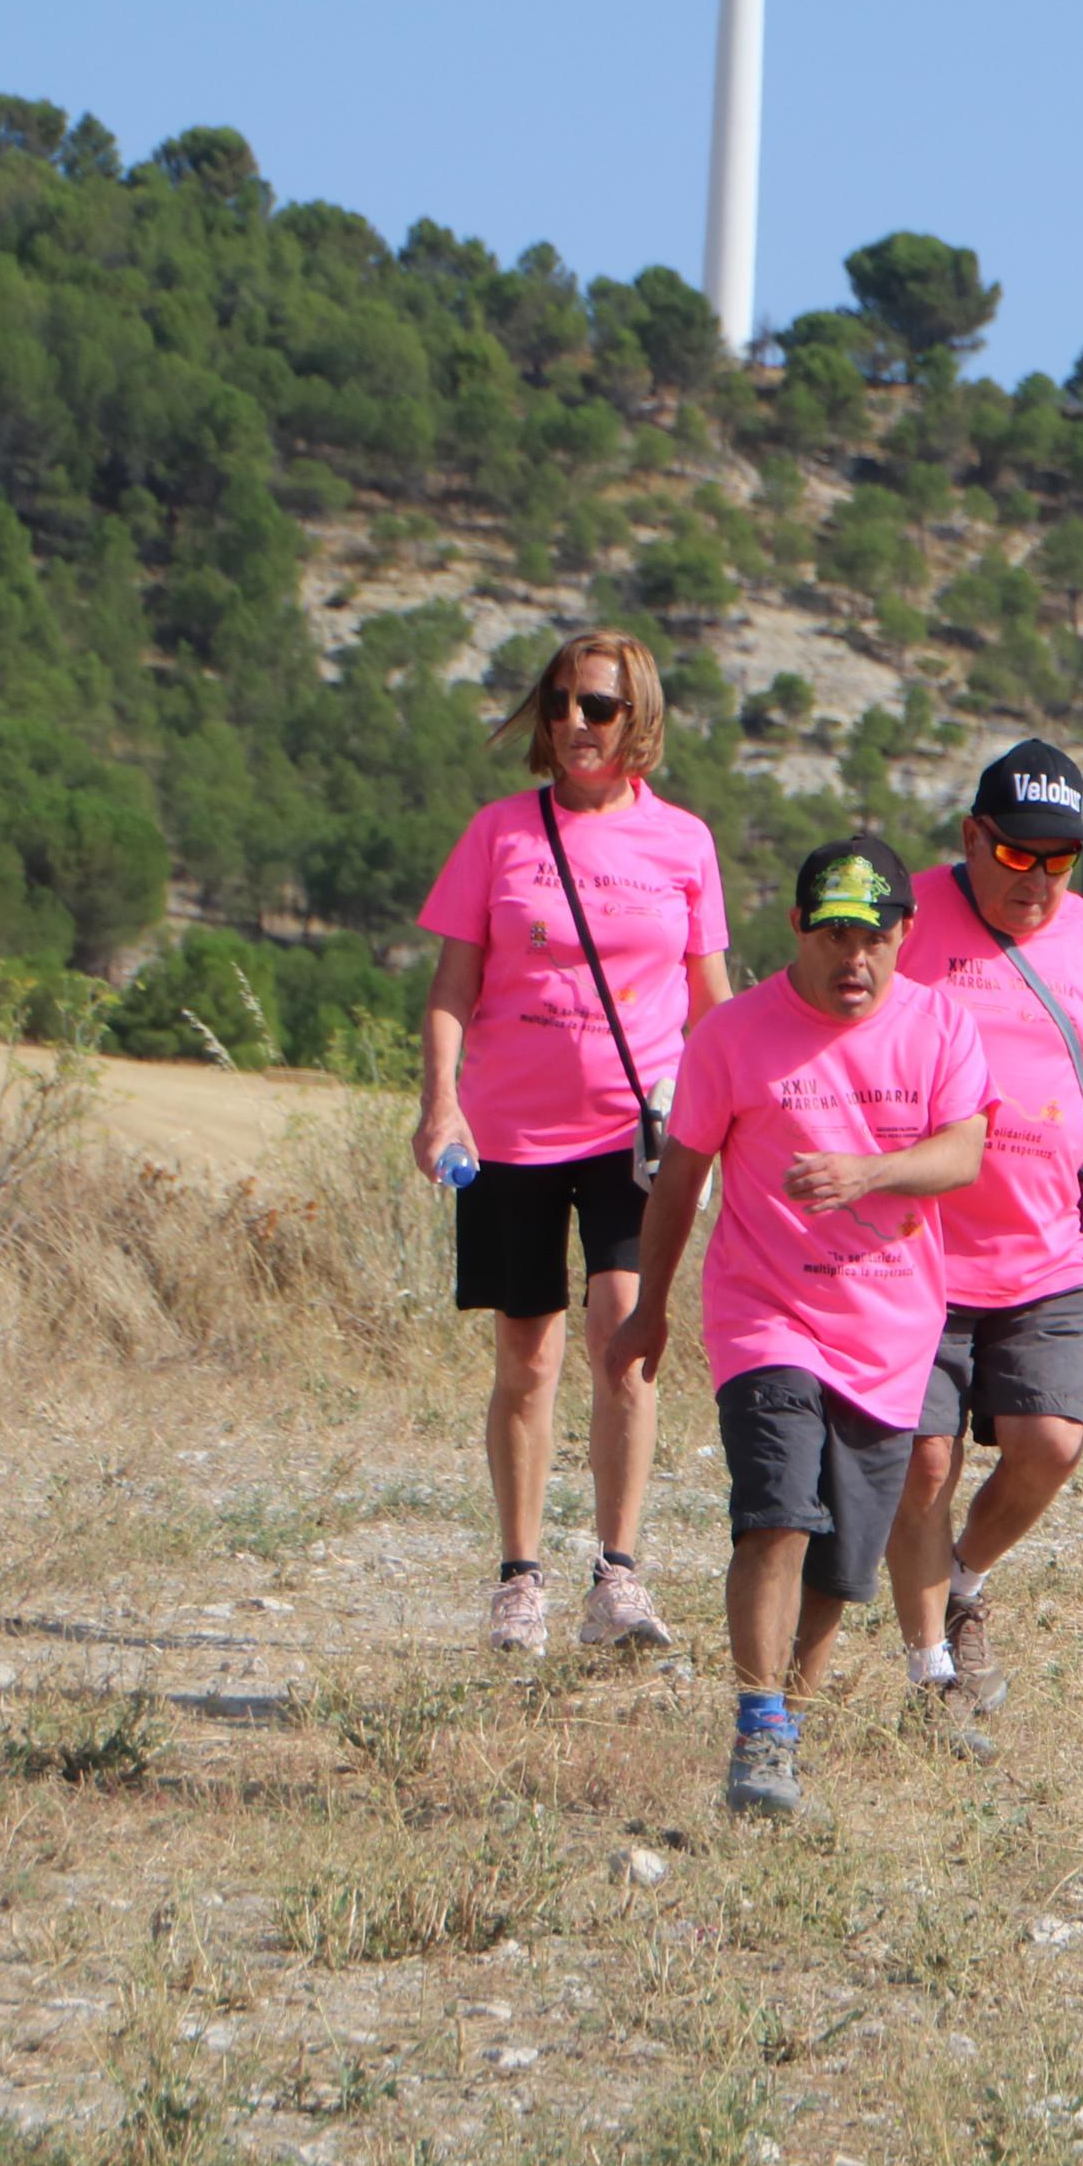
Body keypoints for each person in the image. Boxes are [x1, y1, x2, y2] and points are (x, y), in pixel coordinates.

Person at [617, 835, 993, 1819]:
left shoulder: (941, 1028)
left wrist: (867, 1173)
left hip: (889, 1330)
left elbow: (962, 1154)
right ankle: (758, 1725)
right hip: (765, 1314)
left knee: (838, 1565)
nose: (851, 956)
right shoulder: (732, 1036)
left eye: (870, 935)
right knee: (777, 1513)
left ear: (903, 935)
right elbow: (681, 1179)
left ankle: (790, 1724)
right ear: (795, 930)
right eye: (831, 933)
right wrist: (648, 1305)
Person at [411, 630, 732, 1658]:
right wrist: (438, 1105)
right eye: (557, 704)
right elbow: (452, 987)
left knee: (626, 1349)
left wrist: (733, 1128)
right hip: (506, 1133)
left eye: (595, 706)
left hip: (636, 1136)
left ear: (635, 714)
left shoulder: (683, 842)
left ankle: (618, 1576)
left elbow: (711, 1002)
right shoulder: (498, 833)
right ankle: (519, 1580)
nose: (573, 726)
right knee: (525, 1357)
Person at [884, 740, 1083, 1731]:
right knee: (924, 1459)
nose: (1038, 880)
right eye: (1017, 857)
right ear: (973, 838)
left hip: (1045, 1248)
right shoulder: (909, 917)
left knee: (1051, 1442)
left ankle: (962, 1577)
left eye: (1058, 859)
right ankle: (931, 1667)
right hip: (916, 1248)